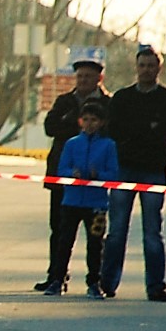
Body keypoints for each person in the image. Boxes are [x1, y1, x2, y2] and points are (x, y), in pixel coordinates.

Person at [100, 44, 166, 301]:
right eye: (142, 65)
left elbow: (161, 133)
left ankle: (156, 285)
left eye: (151, 65)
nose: (146, 70)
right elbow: (114, 131)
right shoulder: (122, 98)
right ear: (136, 67)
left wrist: (139, 135)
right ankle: (107, 283)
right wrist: (139, 134)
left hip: (154, 170)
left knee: (152, 231)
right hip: (124, 168)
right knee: (117, 230)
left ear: (159, 68)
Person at [36, 57, 109, 291]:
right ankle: (56, 275)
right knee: (59, 229)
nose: (84, 80)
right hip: (64, 178)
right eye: (80, 76)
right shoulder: (65, 102)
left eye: (89, 76)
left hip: (95, 188)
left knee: (95, 236)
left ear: (99, 79)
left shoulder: (108, 103)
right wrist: (74, 126)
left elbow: (112, 133)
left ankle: (96, 280)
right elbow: (50, 128)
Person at [46, 100, 119, 297]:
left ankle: (94, 282)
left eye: (94, 120)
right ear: (80, 122)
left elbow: (113, 174)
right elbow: (61, 169)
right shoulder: (72, 144)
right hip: (71, 201)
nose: (89, 124)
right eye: (85, 119)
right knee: (65, 242)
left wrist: (99, 175)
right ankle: (57, 279)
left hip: (96, 204)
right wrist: (72, 173)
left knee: (96, 244)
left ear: (101, 123)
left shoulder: (108, 145)